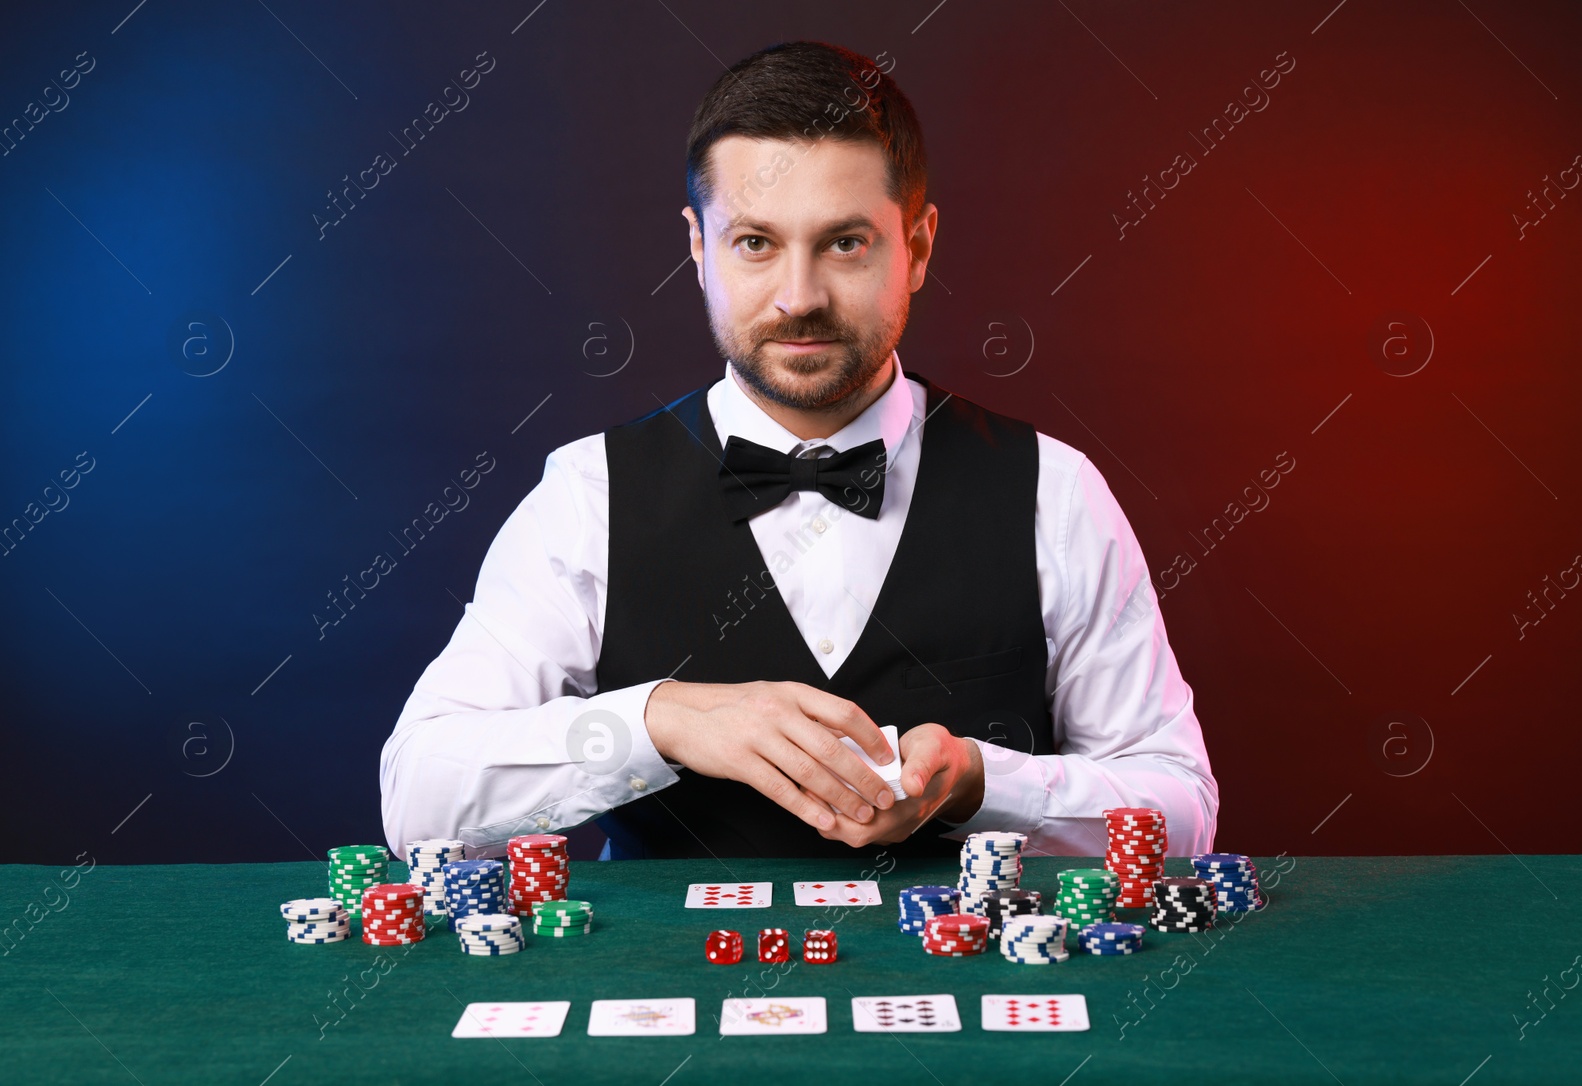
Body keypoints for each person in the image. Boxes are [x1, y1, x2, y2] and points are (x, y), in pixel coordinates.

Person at [380, 40, 1217, 861]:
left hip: (969, 997)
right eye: (756, 243)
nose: (799, 297)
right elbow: (419, 797)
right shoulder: (588, 492)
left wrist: (979, 781)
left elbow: (1182, 809)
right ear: (699, 248)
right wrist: (660, 721)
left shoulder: (1054, 491)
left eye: (845, 243)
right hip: (667, 1000)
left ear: (917, 248)